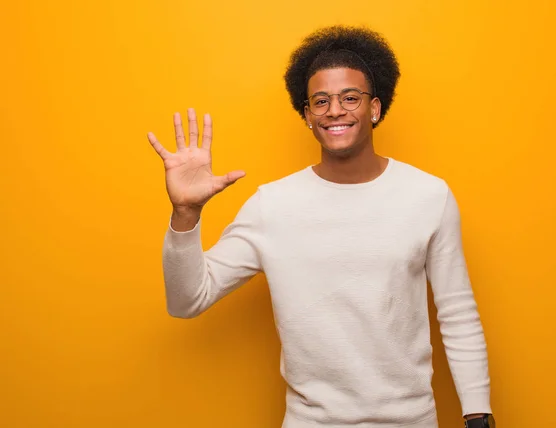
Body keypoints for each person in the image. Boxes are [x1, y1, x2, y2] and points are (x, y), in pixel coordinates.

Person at [148, 25, 495, 428]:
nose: (335, 110)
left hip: (411, 420)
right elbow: (187, 300)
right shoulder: (272, 205)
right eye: (320, 101)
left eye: (350, 98)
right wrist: (186, 214)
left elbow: (457, 312)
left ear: (375, 108)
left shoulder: (428, 196)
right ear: (307, 115)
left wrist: (477, 412)